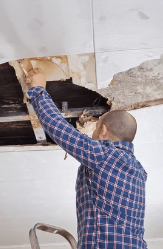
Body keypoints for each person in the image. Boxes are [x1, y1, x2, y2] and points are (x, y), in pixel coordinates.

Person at [26, 69, 148, 249]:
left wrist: (38, 89)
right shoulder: (139, 172)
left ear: (104, 131)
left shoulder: (105, 156)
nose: (93, 134)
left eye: (96, 128)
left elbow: (60, 129)